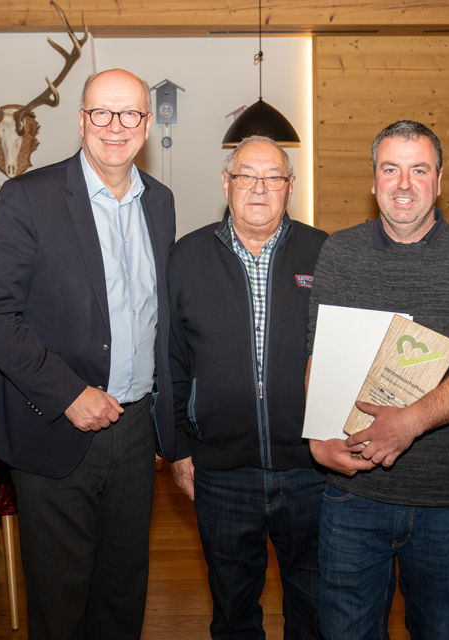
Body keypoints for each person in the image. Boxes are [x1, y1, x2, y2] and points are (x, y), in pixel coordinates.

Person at [0, 68, 176, 639]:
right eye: (102, 113)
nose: (116, 126)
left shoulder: (160, 202)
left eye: (130, 114)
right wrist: (69, 395)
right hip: (57, 429)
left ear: (146, 123)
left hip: (135, 433)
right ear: (82, 120)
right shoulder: (28, 197)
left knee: (122, 594)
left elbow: (156, 321)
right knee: (61, 608)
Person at [306, 120, 449, 640]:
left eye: (418, 170)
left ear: (439, 181)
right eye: (390, 169)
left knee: (436, 631)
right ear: (373, 181)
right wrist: (316, 439)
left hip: (444, 501)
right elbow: (317, 358)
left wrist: (409, 423)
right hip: (352, 496)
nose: (403, 183)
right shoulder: (340, 252)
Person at [169, 136, 327, 639]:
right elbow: (171, 359)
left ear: (290, 187)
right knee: (234, 610)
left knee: (314, 606)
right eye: (246, 175)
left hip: (312, 469)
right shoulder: (186, 257)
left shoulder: (324, 253)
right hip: (221, 472)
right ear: (226, 183)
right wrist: (176, 448)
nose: (259, 188)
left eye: (273, 177)